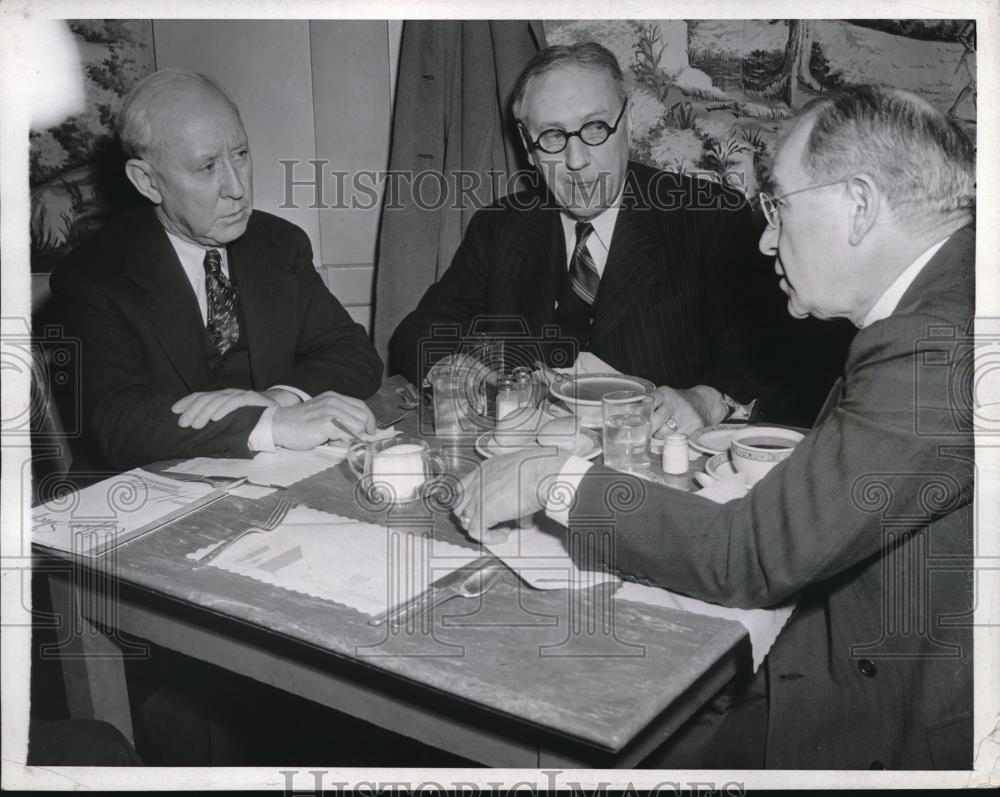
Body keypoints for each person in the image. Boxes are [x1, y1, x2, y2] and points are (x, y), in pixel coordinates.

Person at [455, 86, 975, 769]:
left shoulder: (936, 345)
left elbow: (749, 555)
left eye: (779, 206)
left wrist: (556, 477)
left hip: (898, 720)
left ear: (858, 204)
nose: (765, 238)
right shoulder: (949, 293)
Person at [390, 42, 782, 429]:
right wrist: (460, 371)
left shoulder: (708, 214)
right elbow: (418, 333)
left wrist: (707, 398)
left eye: (595, 128)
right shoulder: (499, 227)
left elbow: (761, 351)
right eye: (553, 136)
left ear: (627, 124)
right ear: (529, 147)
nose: (576, 161)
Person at [50, 68, 383, 472]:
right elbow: (116, 423)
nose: (236, 187)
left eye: (240, 155)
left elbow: (355, 353)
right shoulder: (93, 276)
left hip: (269, 477)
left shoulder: (279, 243)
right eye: (207, 167)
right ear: (147, 181)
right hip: (143, 493)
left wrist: (279, 398)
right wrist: (271, 425)